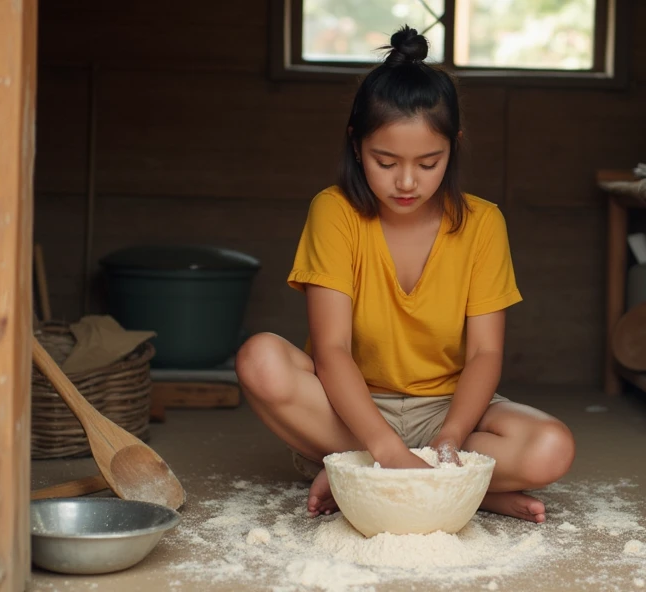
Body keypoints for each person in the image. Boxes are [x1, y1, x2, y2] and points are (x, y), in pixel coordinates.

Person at [235, 24, 575, 524]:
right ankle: (416, 477)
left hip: (448, 408)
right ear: (356, 145)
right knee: (259, 358)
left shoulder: (483, 223)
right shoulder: (334, 212)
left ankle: (366, 478)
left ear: (453, 149)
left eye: (429, 162)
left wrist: (452, 437)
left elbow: (485, 352)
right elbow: (331, 350)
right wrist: (384, 446)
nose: (407, 182)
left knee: (551, 447)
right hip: (349, 409)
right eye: (386, 161)